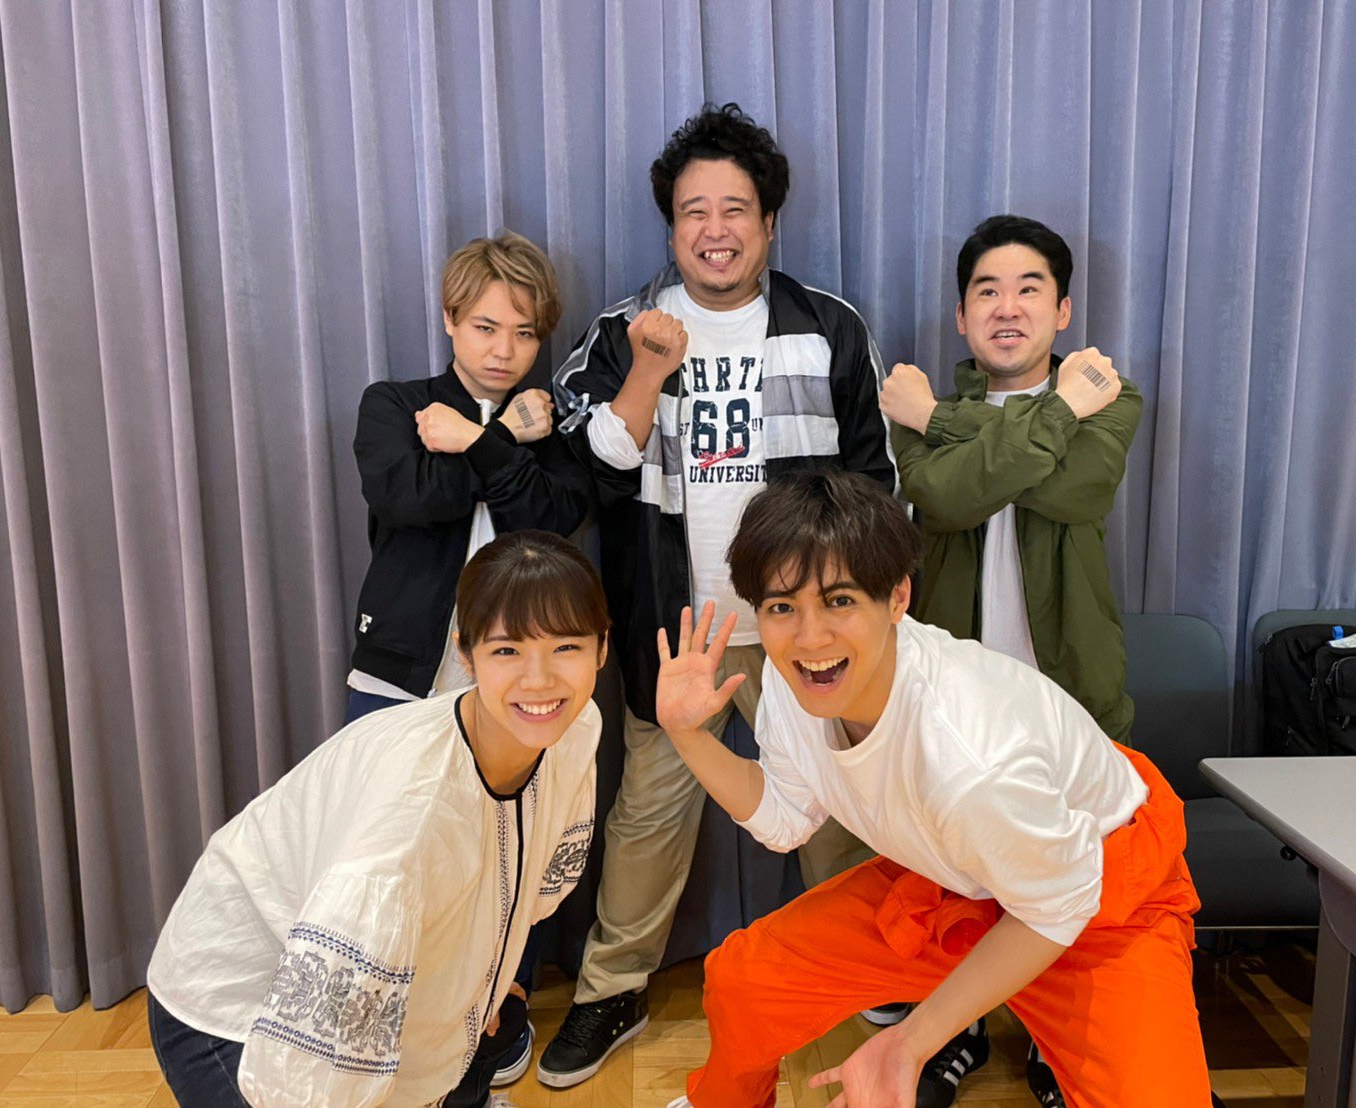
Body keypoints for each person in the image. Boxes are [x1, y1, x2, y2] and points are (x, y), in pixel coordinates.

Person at [657, 470, 1211, 1108]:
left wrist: (912, 1041)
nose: (810, 638)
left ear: (897, 597)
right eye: (783, 607)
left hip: (1095, 895)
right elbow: (786, 817)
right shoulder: (798, 678)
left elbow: (1058, 904)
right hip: (968, 876)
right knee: (745, 980)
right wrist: (688, 737)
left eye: (839, 601)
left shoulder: (970, 756)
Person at [540, 103, 894, 1085]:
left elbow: (875, 479)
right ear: (670, 229)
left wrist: (851, 610)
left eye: (735, 208)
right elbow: (587, 470)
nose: (715, 228)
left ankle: (864, 966)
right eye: (694, 210)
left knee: (840, 802)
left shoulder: (827, 326)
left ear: (768, 223)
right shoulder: (622, 332)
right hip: (675, 624)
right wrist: (649, 370)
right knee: (648, 815)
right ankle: (611, 989)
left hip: (805, 629)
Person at [147, 532, 609, 1107]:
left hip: (353, 968)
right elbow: (315, 1078)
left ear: (602, 648)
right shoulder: (412, 809)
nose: (539, 680)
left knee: (479, 1029)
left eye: (566, 647)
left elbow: (521, 880)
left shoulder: (577, 727)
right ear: (465, 655)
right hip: (237, 1002)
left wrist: (485, 981)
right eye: (507, 651)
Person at [880, 214, 1143, 1104]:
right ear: (961, 316)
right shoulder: (917, 400)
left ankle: (1051, 1040)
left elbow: (1077, 491)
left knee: (1070, 875)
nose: (1007, 307)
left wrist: (943, 422)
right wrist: (1053, 413)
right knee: (951, 873)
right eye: (986, 291)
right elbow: (946, 499)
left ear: (1062, 310)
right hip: (952, 690)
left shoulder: (1111, 393)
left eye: (1030, 288)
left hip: (1068, 687)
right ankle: (949, 1033)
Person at [347, 230, 589, 724]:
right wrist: (502, 434)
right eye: (485, 327)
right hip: (399, 675)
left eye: (524, 333)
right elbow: (409, 500)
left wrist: (477, 441)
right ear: (450, 319)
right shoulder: (395, 405)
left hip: (522, 684)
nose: (504, 350)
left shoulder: (547, 424)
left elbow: (552, 520)